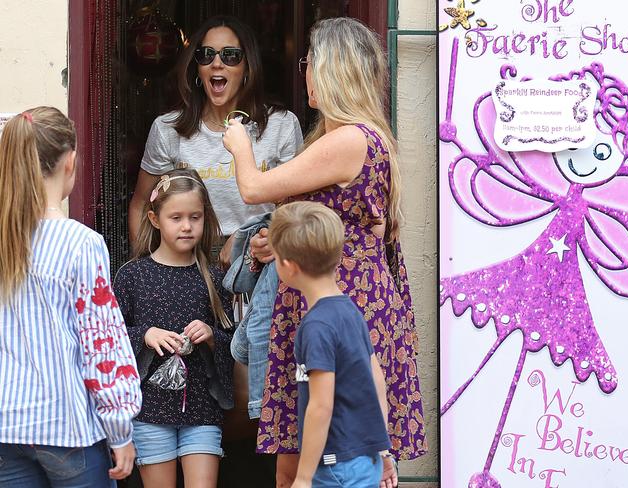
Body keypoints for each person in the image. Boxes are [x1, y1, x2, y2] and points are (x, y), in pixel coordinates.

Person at [224, 16, 428, 487]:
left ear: (333, 69)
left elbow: (253, 188)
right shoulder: (361, 138)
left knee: (312, 456)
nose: (305, 71)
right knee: (313, 456)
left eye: (309, 62)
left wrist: (239, 145)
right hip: (344, 299)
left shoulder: (349, 140)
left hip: (337, 301)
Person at [0, 107, 142, 487]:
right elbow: (102, 345)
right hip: (67, 426)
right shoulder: (81, 244)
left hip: (6, 424)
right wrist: (120, 428)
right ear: (71, 161)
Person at [128, 15, 303, 265]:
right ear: (197, 68)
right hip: (186, 262)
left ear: (247, 67)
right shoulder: (168, 128)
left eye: (230, 55)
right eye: (206, 55)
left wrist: (257, 239)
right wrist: (148, 271)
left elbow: (297, 207)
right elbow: (141, 206)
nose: (217, 63)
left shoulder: (281, 125)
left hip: (260, 262)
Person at [114, 168, 235, 488]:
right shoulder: (132, 276)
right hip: (150, 410)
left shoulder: (214, 278)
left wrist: (211, 337)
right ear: (154, 218)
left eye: (195, 217)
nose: (186, 226)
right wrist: (144, 335)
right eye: (176, 217)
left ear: (205, 218)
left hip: (202, 409)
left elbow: (235, 342)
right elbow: (108, 340)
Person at [268, 202, 397, 488]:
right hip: (365, 461)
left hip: (335, 469)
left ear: (289, 266)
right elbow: (376, 380)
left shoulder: (316, 327)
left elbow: (321, 406)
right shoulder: (349, 311)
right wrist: (383, 450)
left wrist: (302, 477)